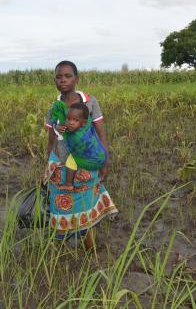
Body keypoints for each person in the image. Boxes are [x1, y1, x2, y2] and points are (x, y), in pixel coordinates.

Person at [44, 60, 118, 250]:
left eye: (68, 76)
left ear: (76, 79)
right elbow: (51, 139)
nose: (63, 80)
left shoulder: (90, 102)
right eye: (59, 77)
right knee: (60, 206)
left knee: (86, 206)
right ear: (54, 80)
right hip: (60, 164)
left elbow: (101, 133)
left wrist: (106, 160)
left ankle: (89, 248)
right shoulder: (55, 108)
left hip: (86, 162)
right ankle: (57, 251)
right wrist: (47, 166)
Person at [50, 102, 106, 191]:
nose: (71, 123)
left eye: (75, 120)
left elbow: (67, 136)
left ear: (83, 123)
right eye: (69, 119)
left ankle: (69, 184)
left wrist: (58, 127)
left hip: (91, 161)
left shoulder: (76, 137)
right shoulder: (87, 124)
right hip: (101, 156)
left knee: (71, 161)